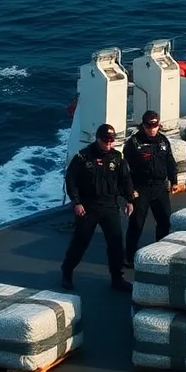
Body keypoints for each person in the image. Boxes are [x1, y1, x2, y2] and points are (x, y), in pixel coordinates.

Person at [61, 123, 135, 292]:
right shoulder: (82, 158)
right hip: (89, 207)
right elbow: (71, 181)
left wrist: (130, 200)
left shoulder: (117, 157)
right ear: (98, 139)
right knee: (80, 243)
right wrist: (76, 203)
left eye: (111, 141)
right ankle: (67, 271)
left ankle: (117, 279)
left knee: (116, 244)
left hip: (110, 206)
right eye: (105, 141)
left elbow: (125, 180)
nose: (109, 144)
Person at [123, 110, 183, 266]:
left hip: (159, 187)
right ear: (143, 126)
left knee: (165, 220)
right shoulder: (133, 143)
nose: (152, 129)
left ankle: (159, 252)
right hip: (140, 188)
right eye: (149, 126)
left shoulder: (163, 141)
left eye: (155, 125)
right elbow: (124, 171)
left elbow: (170, 161)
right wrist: (129, 191)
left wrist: (174, 180)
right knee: (137, 223)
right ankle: (129, 256)